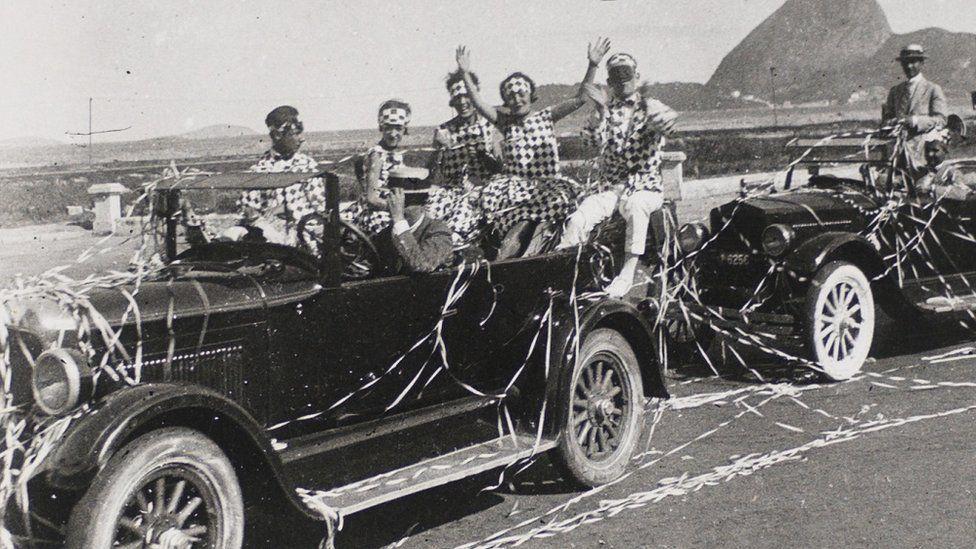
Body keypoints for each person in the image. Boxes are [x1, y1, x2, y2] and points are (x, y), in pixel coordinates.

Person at [454, 39, 610, 256]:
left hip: (546, 187)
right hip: (515, 191)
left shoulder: (546, 116)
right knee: (515, 225)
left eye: (521, 94)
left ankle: (534, 253)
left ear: (531, 96)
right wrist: (465, 74)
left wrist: (593, 65)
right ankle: (508, 256)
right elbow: (479, 103)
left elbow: (580, 98)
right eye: (511, 96)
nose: (517, 99)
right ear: (506, 101)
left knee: (542, 220)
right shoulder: (504, 122)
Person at [557, 52, 678, 298]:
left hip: (646, 186)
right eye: (616, 75)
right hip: (612, 188)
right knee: (581, 216)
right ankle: (565, 272)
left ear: (636, 76)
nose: (622, 80)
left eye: (627, 74)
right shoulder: (605, 110)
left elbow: (670, 125)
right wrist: (600, 111)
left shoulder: (650, 105)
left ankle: (627, 273)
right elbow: (591, 142)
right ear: (609, 81)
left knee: (635, 206)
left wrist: (661, 119)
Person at [426, 70, 501, 246]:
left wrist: (484, 157)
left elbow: (501, 168)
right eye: (457, 98)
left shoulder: (490, 126)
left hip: (484, 190)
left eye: (466, 96)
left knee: (459, 221)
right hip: (451, 191)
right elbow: (431, 173)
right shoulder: (444, 130)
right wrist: (439, 150)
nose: (462, 102)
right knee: (429, 216)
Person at [236, 105, 325, 245]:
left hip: (306, 238)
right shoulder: (259, 170)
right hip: (271, 241)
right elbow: (248, 211)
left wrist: (288, 209)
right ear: (277, 135)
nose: (302, 139)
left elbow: (320, 207)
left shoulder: (307, 166)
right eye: (295, 133)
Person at [346, 99, 411, 235]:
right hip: (375, 213)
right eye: (388, 128)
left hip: (389, 209)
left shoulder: (395, 154)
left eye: (398, 128)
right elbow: (371, 198)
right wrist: (398, 209)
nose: (393, 134)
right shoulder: (377, 155)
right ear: (381, 128)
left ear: (405, 129)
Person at [881, 45, 948, 173]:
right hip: (896, 152)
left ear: (921, 63)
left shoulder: (933, 89)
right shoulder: (895, 91)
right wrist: (892, 123)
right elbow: (886, 119)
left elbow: (941, 119)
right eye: (905, 63)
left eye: (913, 62)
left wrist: (916, 121)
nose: (909, 66)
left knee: (921, 189)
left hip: (922, 152)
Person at [376, 187, 454, 274]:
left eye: (405, 203)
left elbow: (422, 264)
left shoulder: (439, 232)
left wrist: (399, 219)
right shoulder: (385, 236)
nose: (397, 208)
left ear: (423, 204)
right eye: (394, 203)